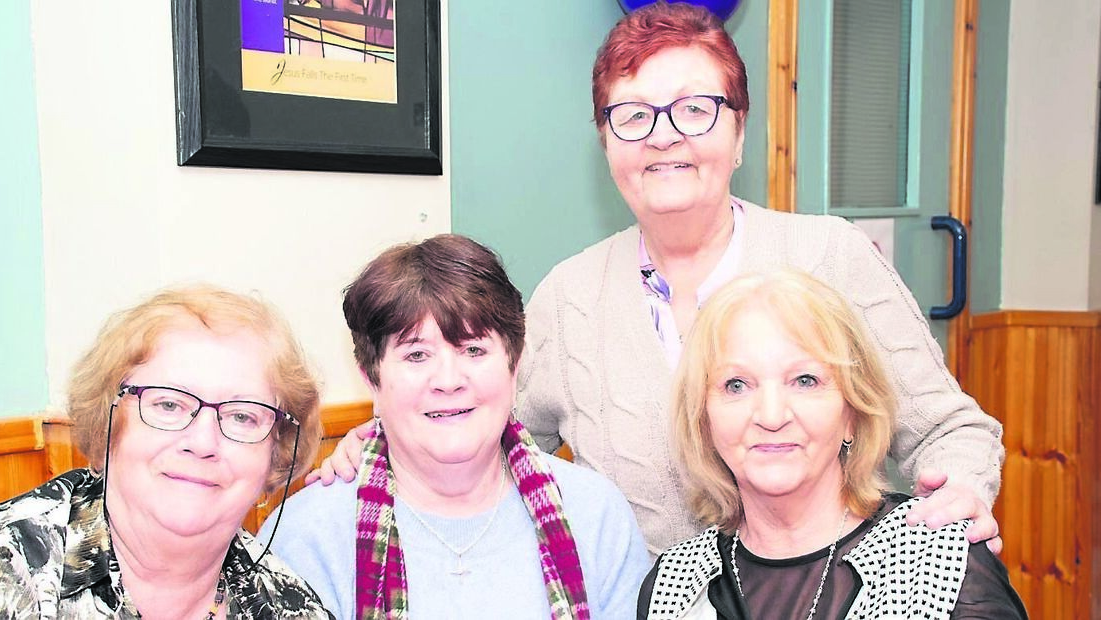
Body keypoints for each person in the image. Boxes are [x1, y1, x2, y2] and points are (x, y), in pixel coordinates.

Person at [311, 3, 1003, 557]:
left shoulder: (831, 257)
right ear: (606, 142)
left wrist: (961, 491)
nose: (664, 136)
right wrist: (377, 445)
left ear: (739, 132)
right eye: (634, 115)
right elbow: (480, 435)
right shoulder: (569, 298)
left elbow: (951, 430)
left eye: (696, 108)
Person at [263, 234, 649, 619]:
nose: (448, 381)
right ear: (372, 379)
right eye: (417, 355)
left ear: (514, 366)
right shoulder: (305, 538)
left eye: (473, 350)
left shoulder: (595, 515)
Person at [0, 286, 334, 619]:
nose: (203, 443)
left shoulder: (286, 603)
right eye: (168, 405)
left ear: (276, 453)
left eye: (242, 416)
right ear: (109, 423)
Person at [638, 270, 1025, 619]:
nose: (771, 416)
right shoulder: (674, 585)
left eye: (805, 381)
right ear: (704, 419)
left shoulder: (936, 562)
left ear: (852, 412)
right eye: (736, 385)